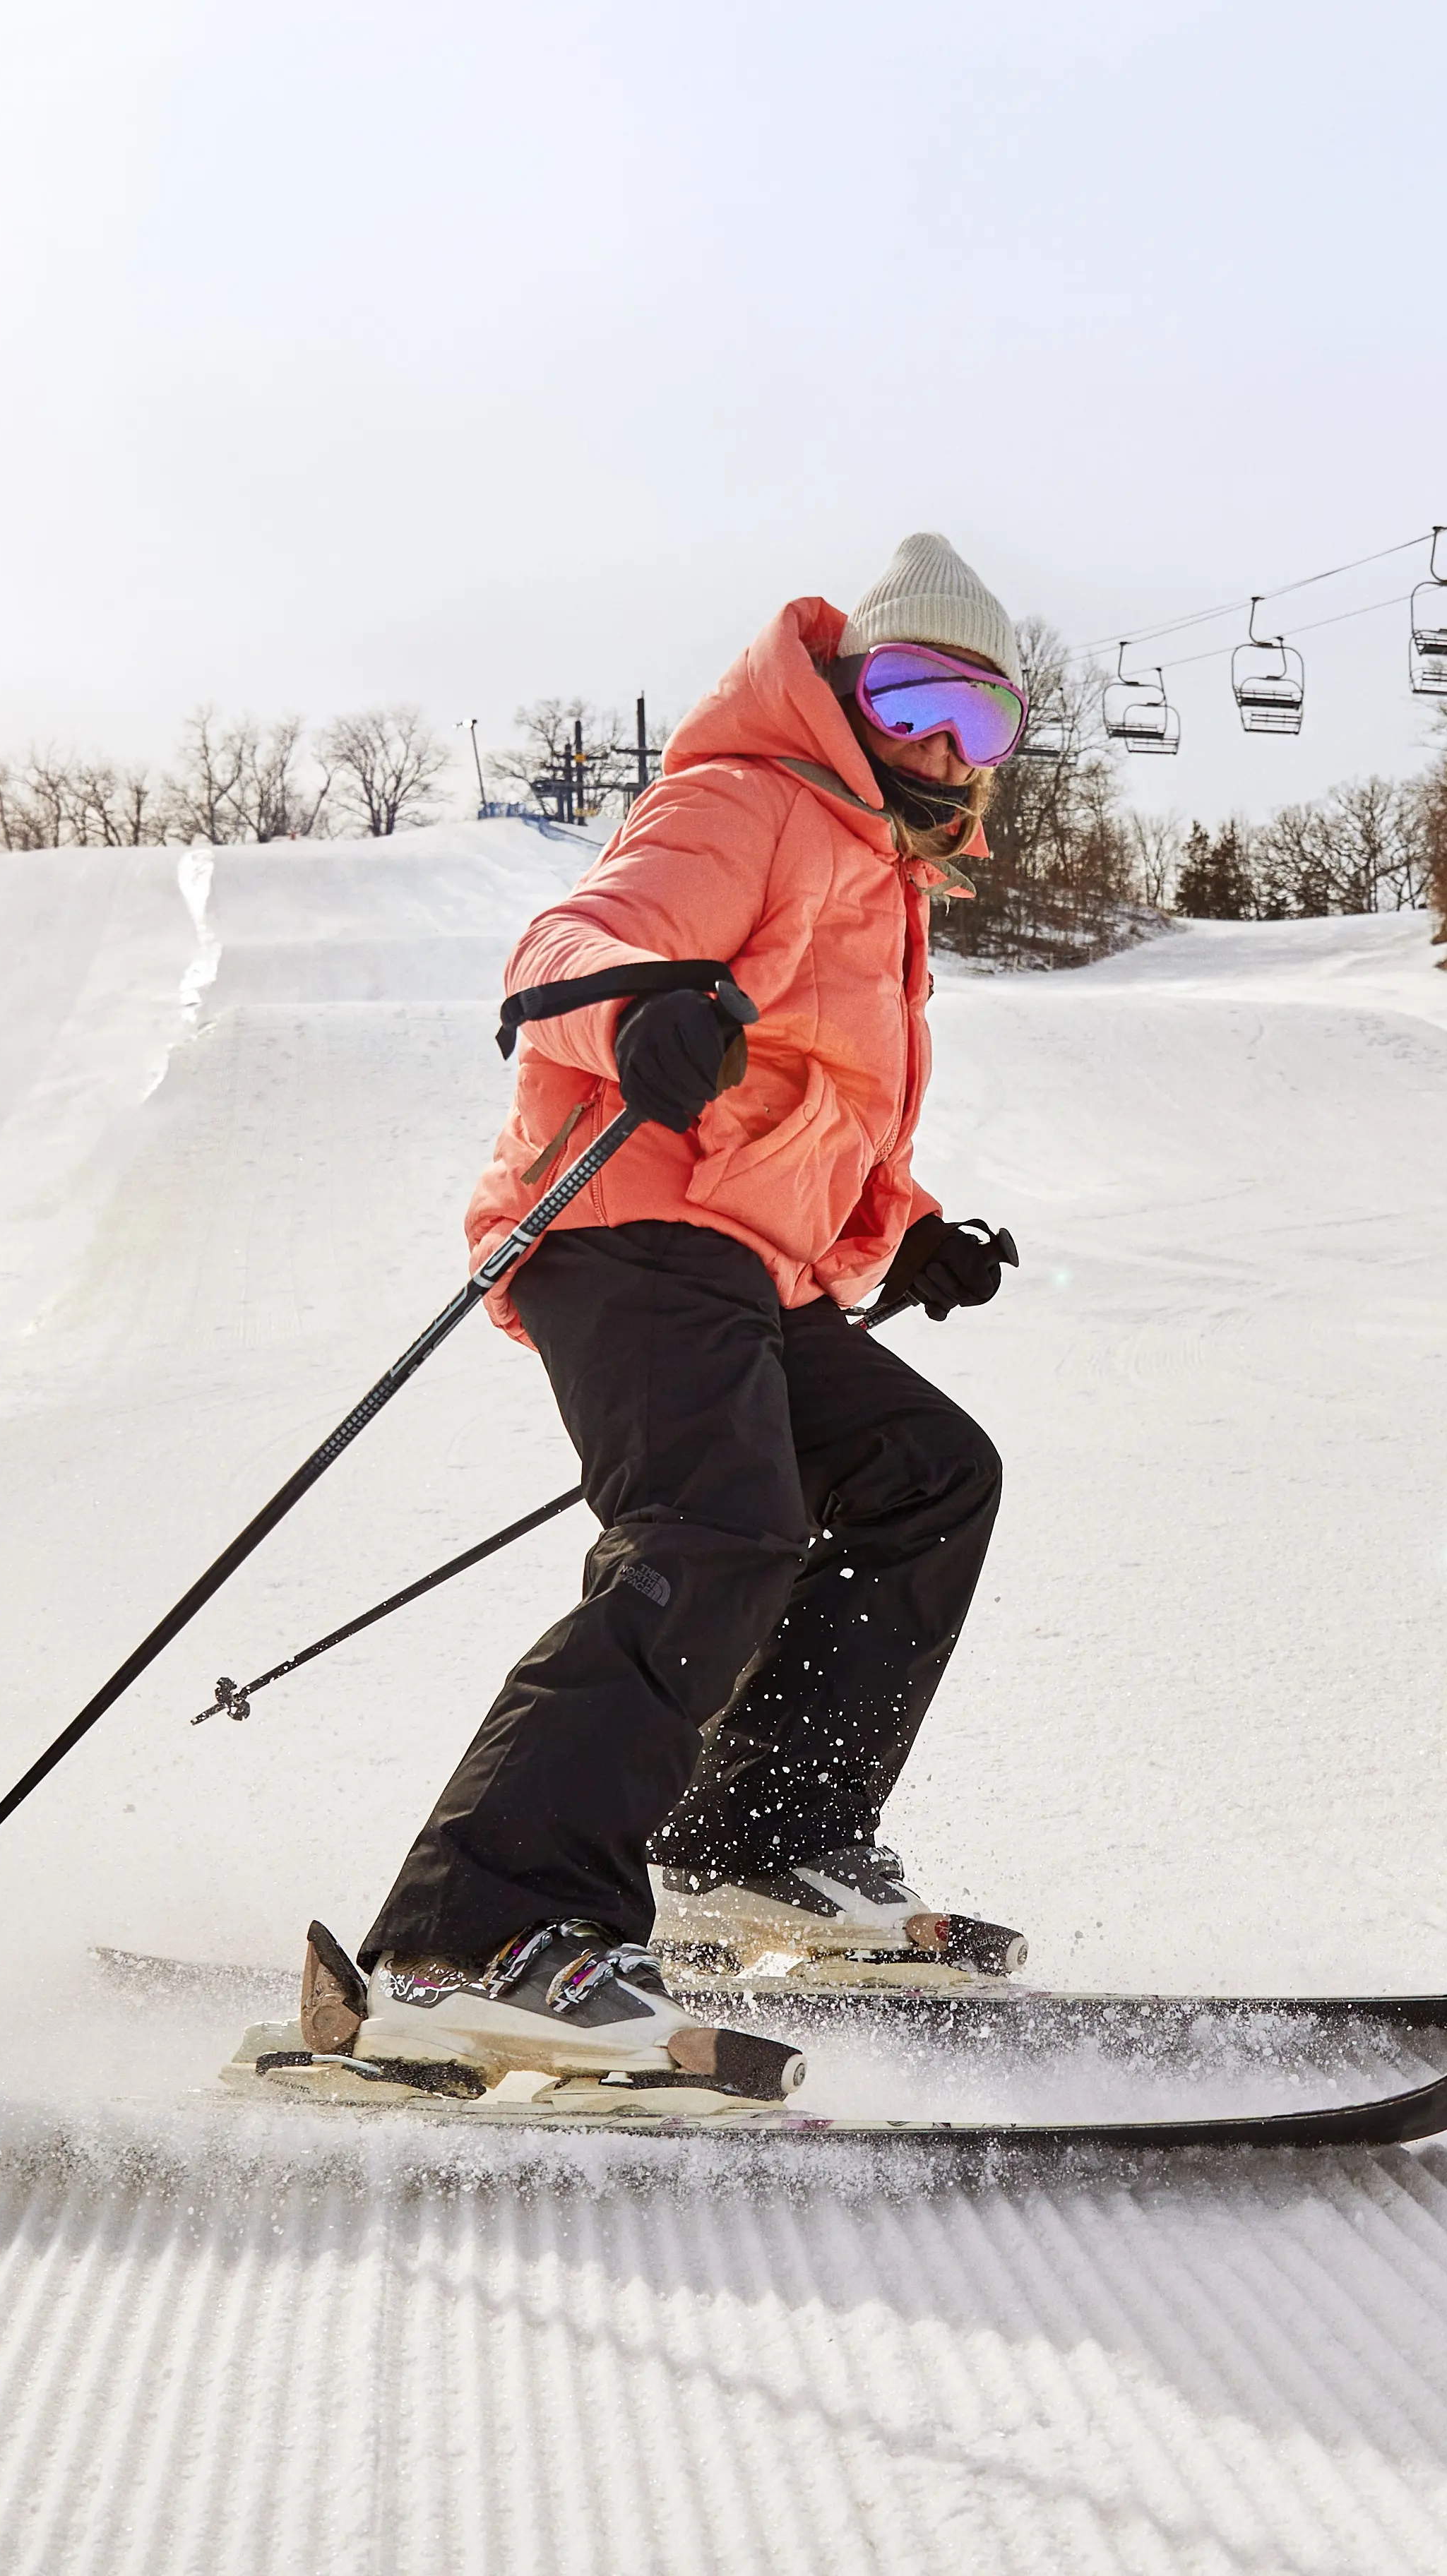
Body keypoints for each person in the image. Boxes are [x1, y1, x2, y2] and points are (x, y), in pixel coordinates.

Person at [327, 535, 1033, 2101]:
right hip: (618, 1226)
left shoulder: (879, 866)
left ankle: (761, 1849)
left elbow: (810, 1105)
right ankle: (474, 1941)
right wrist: (640, 1005)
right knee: (713, 1527)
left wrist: (902, 1237)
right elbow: (564, 946)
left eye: (979, 725)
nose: (939, 744)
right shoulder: (751, 797)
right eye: (915, 697)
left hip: (734, 1256)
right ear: (849, 688)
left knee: (925, 1472)